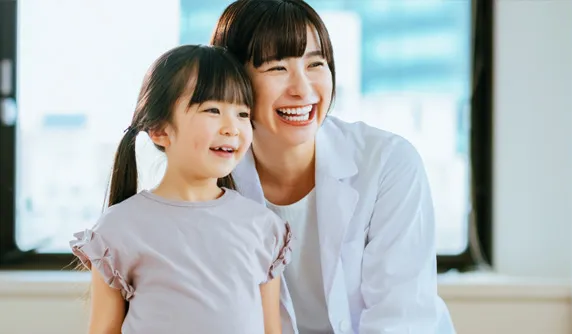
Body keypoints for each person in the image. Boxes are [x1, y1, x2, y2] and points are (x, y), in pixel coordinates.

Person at [210, 0, 456, 333]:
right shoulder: (209, 174)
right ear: (234, 82)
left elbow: (399, 321)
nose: (303, 89)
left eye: (316, 64)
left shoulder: (388, 163)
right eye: (277, 68)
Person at [69, 44, 292, 334]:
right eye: (213, 110)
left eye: (242, 114)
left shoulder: (263, 227)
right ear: (160, 130)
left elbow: (270, 329)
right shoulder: (119, 228)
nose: (232, 128)